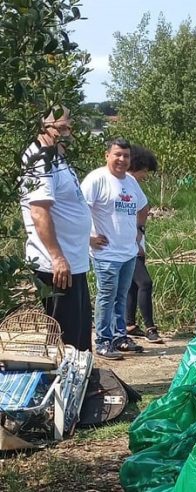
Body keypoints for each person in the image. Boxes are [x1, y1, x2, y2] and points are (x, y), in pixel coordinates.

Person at [19, 106, 93, 351]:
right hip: (56, 267)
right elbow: (39, 212)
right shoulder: (39, 159)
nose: (66, 133)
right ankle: (63, 387)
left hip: (74, 262)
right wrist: (57, 257)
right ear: (42, 126)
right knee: (66, 343)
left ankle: (84, 386)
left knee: (80, 340)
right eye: (60, 128)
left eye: (68, 127)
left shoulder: (57, 157)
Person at [81, 138, 149, 359]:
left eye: (126, 156)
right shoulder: (97, 179)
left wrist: (139, 232)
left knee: (121, 295)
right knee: (107, 296)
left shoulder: (130, 182)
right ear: (107, 155)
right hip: (106, 253)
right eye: (117, 154)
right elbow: (80, 209)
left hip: (127, 251)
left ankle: (120, 337)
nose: (122, 159)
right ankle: (102, 340)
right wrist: (88, 237)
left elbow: (143, 206)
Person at [125, 145, 162, 344]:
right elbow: (143, 209)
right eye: (145, 170)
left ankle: (129, 323)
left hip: (134, 242)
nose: (145, 175)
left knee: (132, 285)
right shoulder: (129, 182)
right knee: (145, 283)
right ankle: (150, 327)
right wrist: (138, 239)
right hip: (130, 245)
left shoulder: (128, 183)